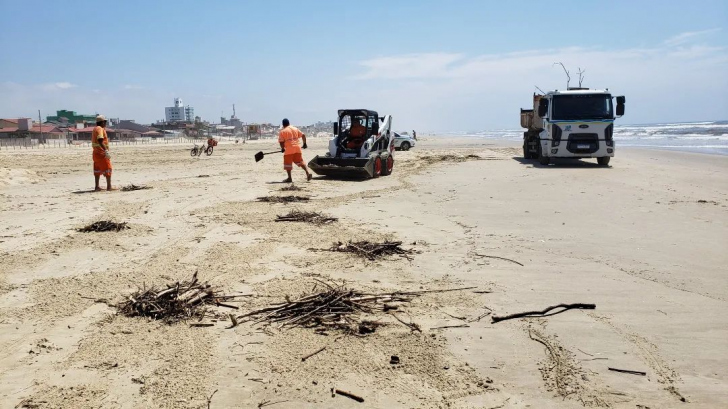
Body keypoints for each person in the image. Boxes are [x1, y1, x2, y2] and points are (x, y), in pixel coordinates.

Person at [278, 118, 312, 182]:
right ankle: (307, 173)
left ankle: (289, 178)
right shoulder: (295, 128)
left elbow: (281, 142)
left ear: (283, 124)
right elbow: (303, 135)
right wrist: (304, 144)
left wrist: (283, 148)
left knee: (288, 164)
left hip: (289, 149)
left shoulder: (282, 131)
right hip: (297, 148)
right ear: (289, 123)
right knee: (300, 161)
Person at [92, 115, 114, 191]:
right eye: (105, 122)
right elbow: (100, 140)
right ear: (102, 122)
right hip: (101, 153)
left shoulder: (95, 129)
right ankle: (109, 186)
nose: (105, 123)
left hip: (96, 153)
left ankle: (97, 186)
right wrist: (106, 151)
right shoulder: (99, 129)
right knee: (108, 168)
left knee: (97, 169)